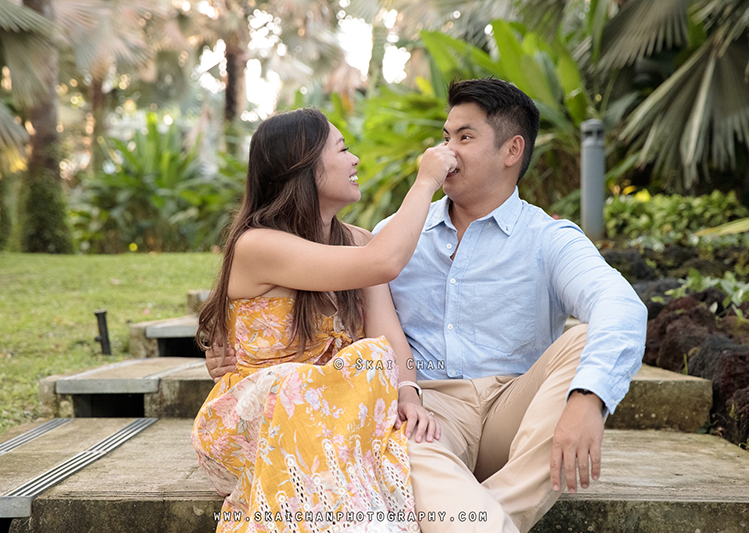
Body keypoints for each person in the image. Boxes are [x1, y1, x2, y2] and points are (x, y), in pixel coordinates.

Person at [207, 79, 648, 533]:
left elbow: (621, 305)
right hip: (428, 412)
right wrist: (408, 392)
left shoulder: (549, 238)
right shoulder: (392, 237)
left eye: (465, 137)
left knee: (587, 340)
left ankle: (477, 512)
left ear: (512, 150)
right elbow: (369, 305)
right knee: (397, 433)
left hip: (513, 409)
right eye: (445, 137)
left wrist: (589, 397)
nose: (447, 150)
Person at [192, 107, 455, 533]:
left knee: (370, 356)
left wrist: (409, 395)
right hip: (251, 425)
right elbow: (384, 262)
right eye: (343, 149)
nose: (354, 160)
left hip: (334, 423)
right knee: (291, 385)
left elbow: (388, 337)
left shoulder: (356, 242)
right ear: (304, 167)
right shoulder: (258, 245)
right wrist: (426, 182)